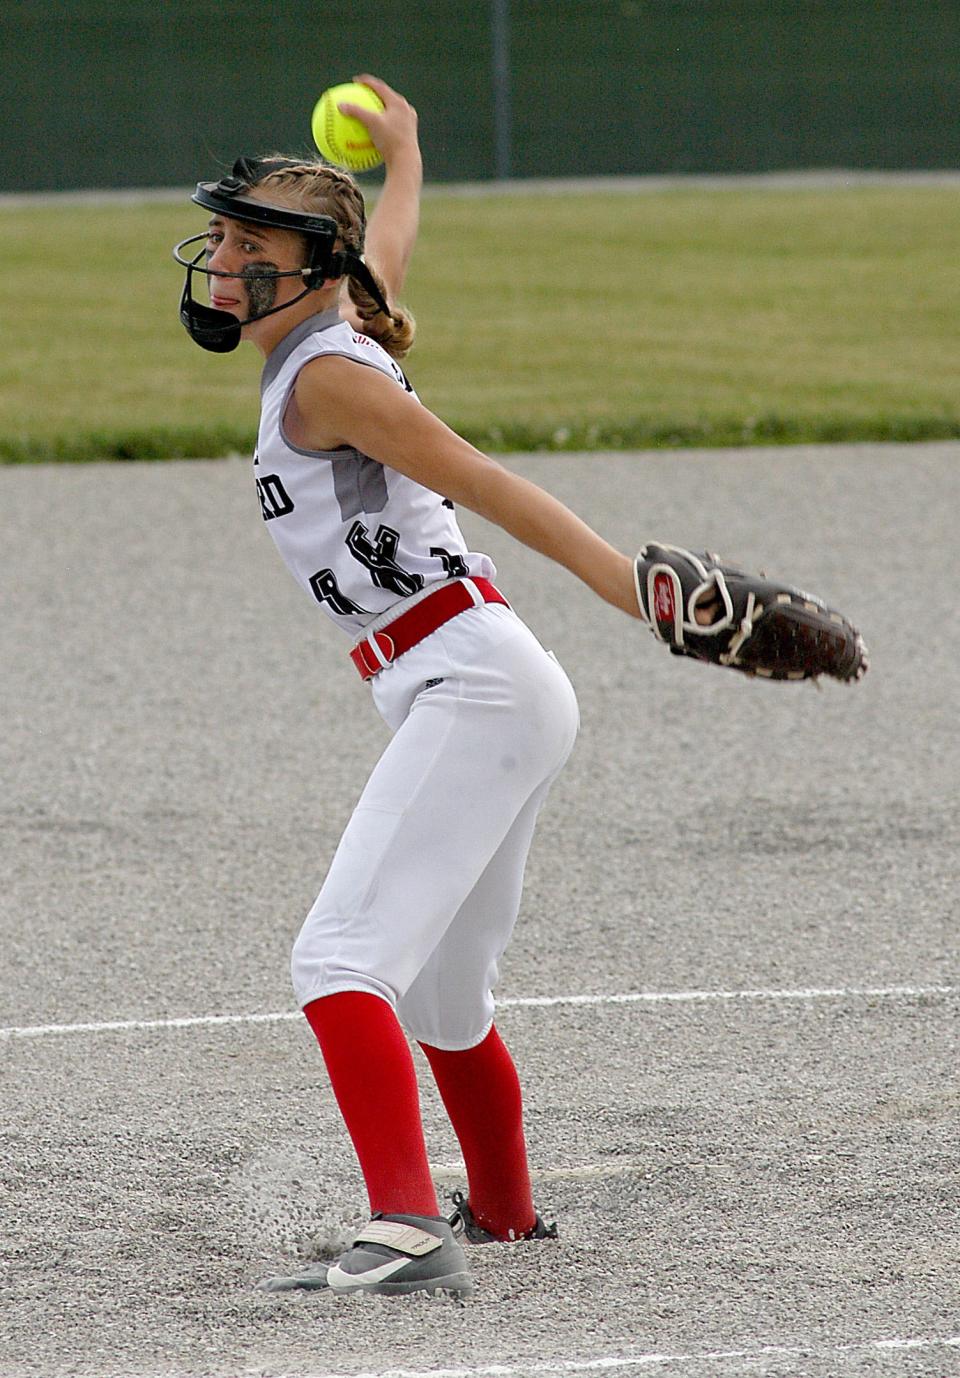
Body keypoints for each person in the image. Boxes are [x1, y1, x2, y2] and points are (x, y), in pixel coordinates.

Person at [174, 75, 694, 1299]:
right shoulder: (335, 329)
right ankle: (504, 1213)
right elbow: (382, 251)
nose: (225, 264)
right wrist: (404, 160)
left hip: (471, 678)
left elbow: (482, 474)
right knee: (447, 994)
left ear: (309, 271)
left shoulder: (327, 380)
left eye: (252, 247)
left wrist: (628, 584)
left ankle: (405, 1229)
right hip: (484, 680)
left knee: (339, 958)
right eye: (226, 242)